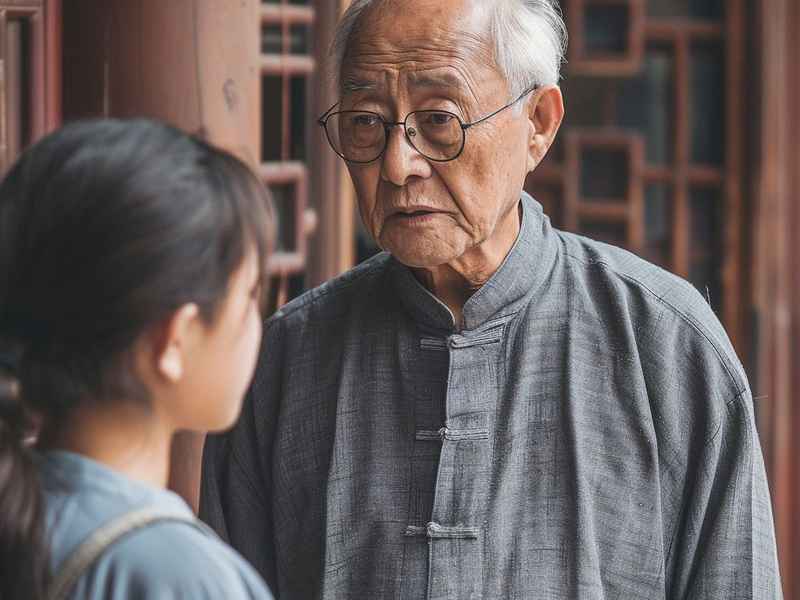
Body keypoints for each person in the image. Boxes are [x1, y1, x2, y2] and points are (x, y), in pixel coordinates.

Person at [200, 0, 782, 598]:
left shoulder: (667, 348)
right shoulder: (285, 361)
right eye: (366, 122)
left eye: (440, 119)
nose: (398, 165)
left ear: (538, 124)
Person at [0, 119, 275, 600]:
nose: (259, 320)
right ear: (175, 340)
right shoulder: (182, 578)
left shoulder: (22, 512)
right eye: (250, 294)